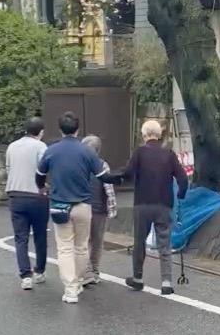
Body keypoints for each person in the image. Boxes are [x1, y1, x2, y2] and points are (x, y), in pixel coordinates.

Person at [35, 112, 121, 304]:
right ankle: (79, 281)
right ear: (78, 129)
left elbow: (39, 174)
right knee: (81, 247)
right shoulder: (87, 152)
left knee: (65, 248)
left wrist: (42, 187)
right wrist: (122, 176)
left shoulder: (51, 151)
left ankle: (70, 289)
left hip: (60, 205)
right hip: (83, 205)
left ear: (60, 129)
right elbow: (104, 177)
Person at [117, 120, 188, 295]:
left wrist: (110, 177)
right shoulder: (169, 154)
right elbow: (183, 178)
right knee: (165, 243)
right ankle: (166, 282)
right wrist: (180, 194)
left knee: (139, 242)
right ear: (159, 134)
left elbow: (127, 173)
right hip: (164, 204)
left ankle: (138, 278)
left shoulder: (139, 152)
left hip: (142, 204)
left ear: (144, 134)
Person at [5, 117, 50, 290]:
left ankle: (25, 276)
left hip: (16, 195)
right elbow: (44, 169)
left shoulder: (12, 146)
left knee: (21, 237)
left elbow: (8, 169)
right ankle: (39, 271)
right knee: (40, 235)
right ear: (41, 132)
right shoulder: (41, 147)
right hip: (37, 195)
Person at [81, 135, 117, 285]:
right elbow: (109, 189)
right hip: (99, 208)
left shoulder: (79, 164)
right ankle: (94, 271)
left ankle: (87, 271)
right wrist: (112, 209)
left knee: (82, 241)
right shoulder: (102, 165)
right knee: (97, 242)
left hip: (82, 206)